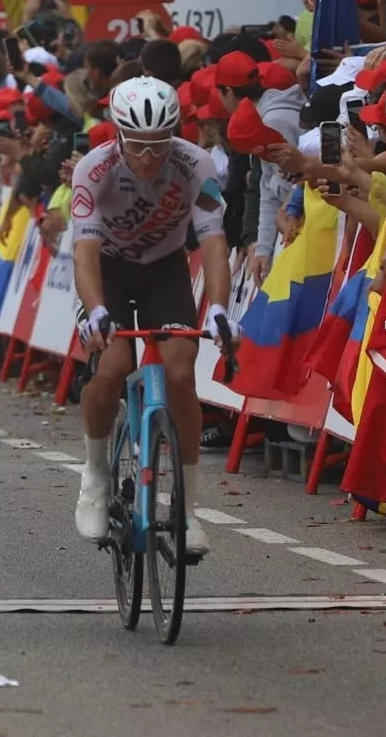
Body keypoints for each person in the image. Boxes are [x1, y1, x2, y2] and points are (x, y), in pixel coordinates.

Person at [69, 76, 232, 559]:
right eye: (137, 145)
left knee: (181, 375)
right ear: (118, 134)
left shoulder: (194, 165)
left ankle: (186, 512)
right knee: (113, 367)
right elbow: (84, 252)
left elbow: (214, 243)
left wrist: (220, 307)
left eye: (158, 144)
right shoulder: (92, 170)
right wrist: (97, 310)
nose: (148, 156)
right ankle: (96, 475)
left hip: (165, 272)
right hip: (108, 273)